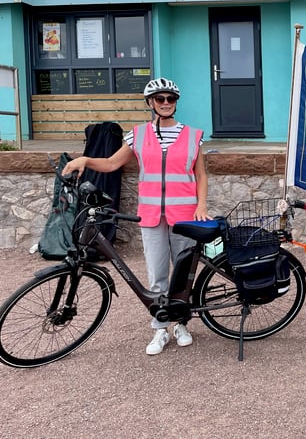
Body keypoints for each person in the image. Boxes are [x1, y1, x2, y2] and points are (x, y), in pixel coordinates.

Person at [62, 77, 209, 355]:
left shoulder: (193, 135)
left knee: (183, 273)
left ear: (175, 102)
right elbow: (112, 163)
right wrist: (85, 160)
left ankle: (181, 324)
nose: (165, 103)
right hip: (151, 214)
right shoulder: (137, 134)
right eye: (160, 99)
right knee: (156, 273)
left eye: (170, 99)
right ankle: (159, 328)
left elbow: (200, 174)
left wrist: (202, 204)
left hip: (186, 214)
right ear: (150, 102)